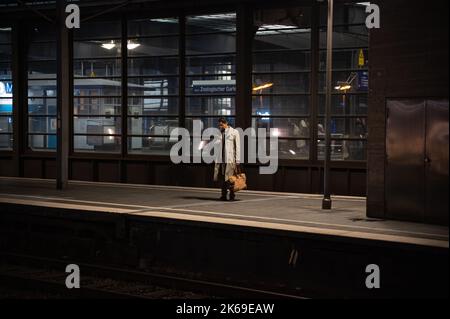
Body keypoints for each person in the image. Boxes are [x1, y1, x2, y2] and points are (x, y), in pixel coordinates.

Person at [213, 118, 241, 201]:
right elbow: (216, 145)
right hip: (221, 159)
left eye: (221, 124)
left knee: (230, 178)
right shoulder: (219, 133)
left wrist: (238, 160)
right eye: (219, 125)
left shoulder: (234, 132)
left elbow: (238, 146)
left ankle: (232, 194)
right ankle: (223, 195)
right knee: (222, 178)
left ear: (226, 123)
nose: (220, 126)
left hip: (230, 159)